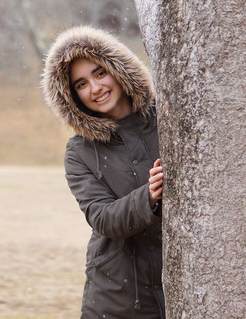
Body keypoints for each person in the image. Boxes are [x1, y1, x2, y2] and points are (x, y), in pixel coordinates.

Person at [42, 26, 165, 318]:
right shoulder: (79, 151)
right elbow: (102, 218)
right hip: (117, 297)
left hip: (181, 283)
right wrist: (147, 197)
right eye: (81, 84)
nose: (95, 88)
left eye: (99, 73)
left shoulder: (167, 119)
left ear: (118, 68)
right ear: (73, 97)